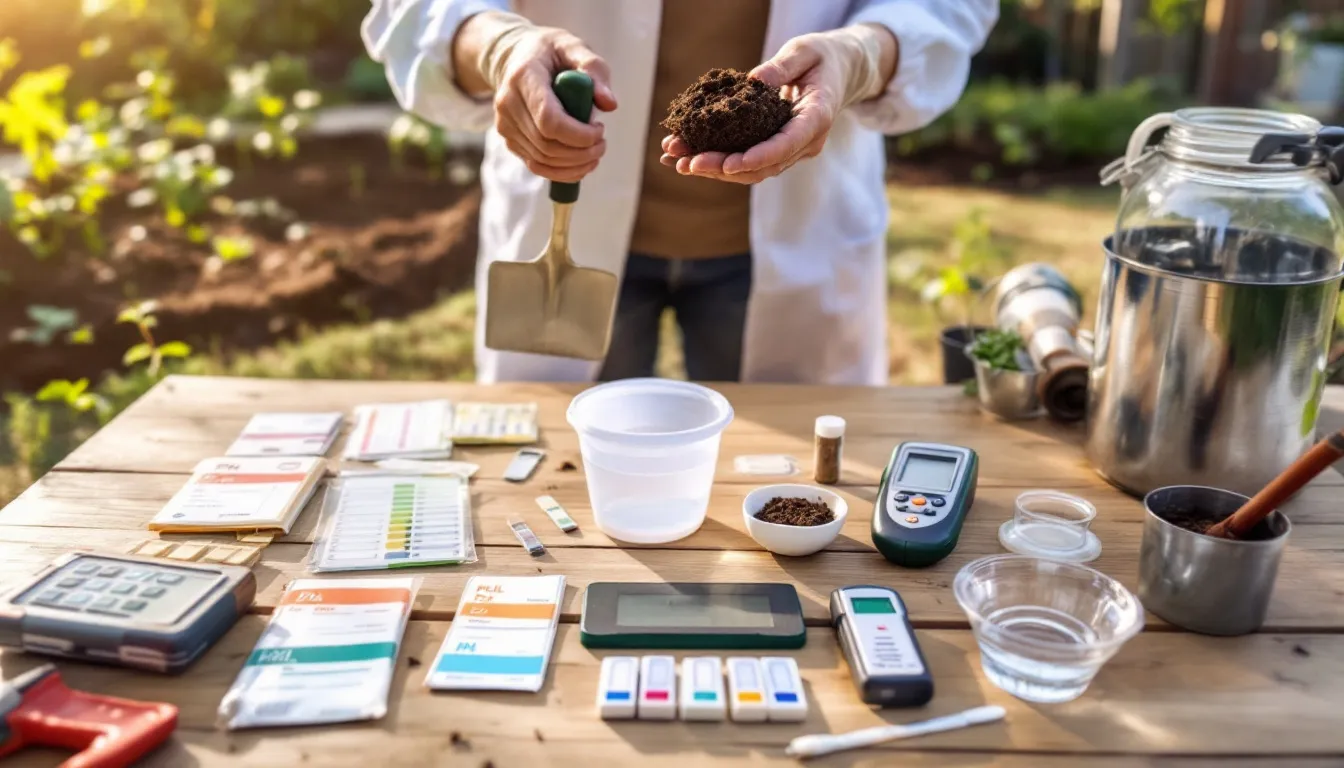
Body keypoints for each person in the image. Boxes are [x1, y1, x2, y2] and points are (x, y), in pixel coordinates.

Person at [362, 1, 998, 385]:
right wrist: (499, 46)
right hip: (565, 228)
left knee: (779, 480)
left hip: (793, 226)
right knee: (565, 469)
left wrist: (859, 54)